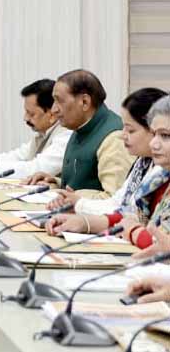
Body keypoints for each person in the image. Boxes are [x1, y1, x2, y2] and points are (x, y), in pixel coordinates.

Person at [45, 89, 169, 247]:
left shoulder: (157, 170)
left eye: (165, 135)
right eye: (155, 134)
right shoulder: (154, 172)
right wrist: (84, 223)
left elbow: (157, 239)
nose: (154, 143)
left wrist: (133, 231)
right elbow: (127, 215)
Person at [27, 69, 133, 199]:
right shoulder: (80, 127)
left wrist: (74, 196)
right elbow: (86, 183)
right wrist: (55, 183)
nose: (54, 109)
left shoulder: (114, 138)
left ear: (84, 102)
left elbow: (115, 199)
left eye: (59, 101)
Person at [0, 79, 71, 178]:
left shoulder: (65, 136)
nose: (25, 118)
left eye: (31, 114)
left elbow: (36, 169)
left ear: (51, 115)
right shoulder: (43, 134)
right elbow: (15, 157)